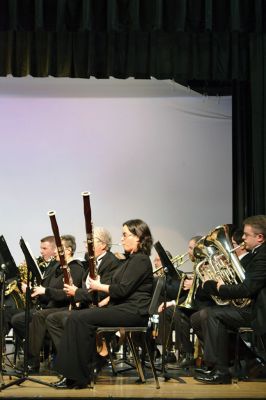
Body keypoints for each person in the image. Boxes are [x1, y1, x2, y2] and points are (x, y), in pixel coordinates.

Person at [53, 218, 154, 389]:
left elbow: (122, 290)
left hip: (134, 312)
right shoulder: (131, 260)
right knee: (76, 317)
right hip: (125, 308)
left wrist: (99, 286)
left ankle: (77, 376)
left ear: (138, 237)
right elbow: (120, 287)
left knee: (79, 319)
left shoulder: (141, 260)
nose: (121, 239)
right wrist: (103, 288)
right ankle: (74, 374)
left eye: (125, 235)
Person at [192, 215, 266, 384]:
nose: (243, 238)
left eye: (246, 235)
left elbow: (247, 289)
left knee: (211, 314)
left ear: (259, 238)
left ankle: (220, 370)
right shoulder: (257, 253)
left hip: (258, 311)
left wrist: (220, 287)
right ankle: (240, 360)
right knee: (197, 319)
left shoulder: (262, 255)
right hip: (251, 307)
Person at [11, 235, 83, 372]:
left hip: (63, 307)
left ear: (67, 250)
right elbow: (44, 289)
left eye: (58, 249)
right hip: (50, 306)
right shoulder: (56, 267)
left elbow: (66, 294)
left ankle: (32, 362)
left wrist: (45, 291)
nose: (55, 252)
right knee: (19, 320)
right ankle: (38, 346)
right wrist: (31, 290)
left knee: (39, 316)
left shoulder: (76, 268)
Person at [45, 227, 121, 353]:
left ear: (103, 245)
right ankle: (71, 357)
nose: (86, 245)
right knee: (53, 319)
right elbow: (87, 288)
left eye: (90, 242)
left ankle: (76, 358)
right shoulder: (92, 261)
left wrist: (76, 293)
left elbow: (101, 294)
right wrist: (76, 299)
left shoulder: (112, 263)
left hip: (101, 310)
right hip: (87, 307)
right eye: (86, 242)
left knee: (63, 319)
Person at [156, 236, 215, 368]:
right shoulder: (197, 266)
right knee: (167, 311)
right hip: (196, 303)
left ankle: (186, 353)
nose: (188, 251)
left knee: (179, 313)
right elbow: (188, 293)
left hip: (205, 305)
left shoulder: (206, 264)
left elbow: (208, 289)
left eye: (190, 248)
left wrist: (194, 284)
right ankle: (167, 352)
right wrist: (172, 302)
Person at [3, 236, 57, 337]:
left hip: (46, 307)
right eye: (41, 248)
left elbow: (47, 291)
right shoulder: (42, 265)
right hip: (36, 305)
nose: (41, 251)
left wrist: (30, 290)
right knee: (5, 313)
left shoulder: (55, 266)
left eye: (44, 248)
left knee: (17, 319)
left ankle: (31, 345)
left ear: (55, 249)